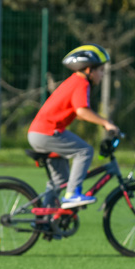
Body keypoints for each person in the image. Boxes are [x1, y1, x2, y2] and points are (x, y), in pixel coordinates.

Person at [27, 44, 119, 208]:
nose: (103, 74)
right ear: (89, 70)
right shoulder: (81, 83)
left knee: (60, 180)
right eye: (101, 70)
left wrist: (103, 122)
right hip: (46, 132)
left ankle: (45, 219)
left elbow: (80, 113)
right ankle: (72, 195)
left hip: (39, 133)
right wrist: (106, 123)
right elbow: (82, 111)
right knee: (84, 151)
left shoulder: (75, 81)